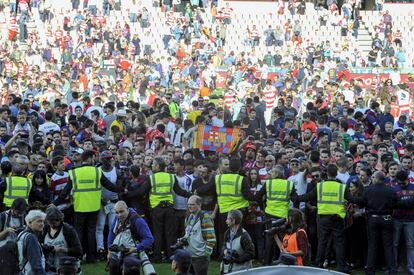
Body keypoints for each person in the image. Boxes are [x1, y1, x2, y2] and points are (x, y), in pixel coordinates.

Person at [53, 150, 123, 263]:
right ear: (90, 159)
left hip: (79, 207)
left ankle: (78, 257)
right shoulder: (97, 171)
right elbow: (109, 186)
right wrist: (122, 189)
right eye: (94, 158)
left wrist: (54, 203)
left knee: (79, 232)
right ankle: (91, 257)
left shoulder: (74, 172)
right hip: (94, 207)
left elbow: (65, 192)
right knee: (91, 232)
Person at [294, 164, 353, 273]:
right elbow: (352, 199)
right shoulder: (342, 186)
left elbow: (307, 196)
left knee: (322, 241)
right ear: (336, 174)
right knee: (339, 243)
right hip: (337, 218)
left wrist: (295, 197)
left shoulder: (320, 186)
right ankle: (341, 267)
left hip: (323, 218)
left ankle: (318, 264)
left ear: (326, 174)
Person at [130, 157, 192, 261]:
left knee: (157, 233)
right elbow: (179, 191)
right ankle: (171, 256)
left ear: (158, 166)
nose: (152, 166)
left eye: (154, 164)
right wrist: (190, 195)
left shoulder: (151, 178)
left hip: (156, 209)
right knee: (170, 233)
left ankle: (157, 256)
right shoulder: (171, 177)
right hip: (169, 208)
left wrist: (129, 194)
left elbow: (142, 192)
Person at [107, 201, 154, 275]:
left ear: (127, 209)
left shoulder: (138, 221)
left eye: (121, 211)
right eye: (117, 212)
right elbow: (111, 233)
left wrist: (135, 249)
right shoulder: (116, 218)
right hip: (116, 254)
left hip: (132, 255)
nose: (119, 215)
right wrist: (109, 249)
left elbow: (149, 239)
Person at [214, 158, 250, 254]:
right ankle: (237, 253)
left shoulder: (218, 178)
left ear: (229, 167)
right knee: (238, 234)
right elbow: (248, 196)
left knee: (223, 234)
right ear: (239, 167)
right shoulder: (242, 179)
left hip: (224, 211)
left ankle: (223, 254)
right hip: (238, 212)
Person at [41, 205, 82, 274]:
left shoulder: (68, 230)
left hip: (68, 269)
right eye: (50, 223)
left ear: (60, 219)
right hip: (51, 270)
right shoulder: (45, 229)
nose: (52, 225)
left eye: (54, 223)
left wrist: (61, 249)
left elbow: (78, 251)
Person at [182, 195, 216, 275]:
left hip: (200, 258)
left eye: (192, 204)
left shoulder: (205, 217)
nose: (189, 206)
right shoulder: (188, 217)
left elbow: (211, 239)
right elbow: (188, 233)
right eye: (188, 204)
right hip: (189, 256)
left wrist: (205, 255)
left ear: (199, 205)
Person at [392, 170, 414, 274]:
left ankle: (411, 267)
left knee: (410, 245)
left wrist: (400, 203)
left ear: (407, 179)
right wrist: (408, 203)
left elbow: (397, 203)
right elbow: (392, 204)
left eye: (403, 183)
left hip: (410, 220)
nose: (401, 185)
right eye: (399, 183)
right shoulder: (394, 189)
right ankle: (394, 265)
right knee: (395, 244)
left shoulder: (413, 187)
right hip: (397, 219)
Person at [221, 209, 254, 274]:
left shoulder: (244, 236)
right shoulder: (227, 233)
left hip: (241, 271)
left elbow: (251, 254)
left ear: (234, 220)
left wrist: (236, 259)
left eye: (228, 219)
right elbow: (224, 245)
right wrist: (224, 250)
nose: (226, 221)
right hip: (228, 269)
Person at [17, 209, 47, 275]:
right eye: (39, 221)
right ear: (30, 223)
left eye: (43, 221)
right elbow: (36, 267)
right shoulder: (31, 238)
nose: (42, 224)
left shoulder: (21, 234)